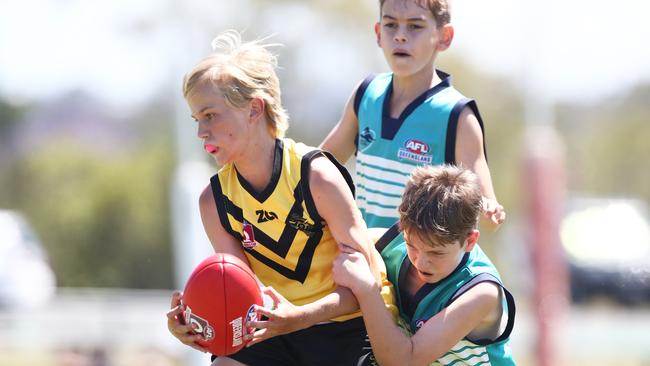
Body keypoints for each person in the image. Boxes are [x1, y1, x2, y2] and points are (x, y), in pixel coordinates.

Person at [166, 30, 390, 366]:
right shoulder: (214, 201)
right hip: (273, 330)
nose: (201, 132)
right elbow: (238, 297)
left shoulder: (317, 178)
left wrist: (299, 316)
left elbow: (366, 287)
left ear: (254, 109)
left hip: (345, 328)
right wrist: (196, 322)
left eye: (210, 115)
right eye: (197, 119)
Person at [321, 0, 506, 230]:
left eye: (415, 26)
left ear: (444, 36)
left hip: (419, 265)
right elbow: (318, 168)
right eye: (391, 25)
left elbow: (486, 216)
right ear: (378, 33)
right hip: (365, 257)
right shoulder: (366, 94)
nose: (400, 36)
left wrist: (488, 209)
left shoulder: (458, 117)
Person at [333, 165, 517, 365]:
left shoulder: (481, 293)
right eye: (411, 245)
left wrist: (367, 289)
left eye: (436, 253)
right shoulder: (390, 245)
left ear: (470, 241)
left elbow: (403, 361)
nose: (420, 262)